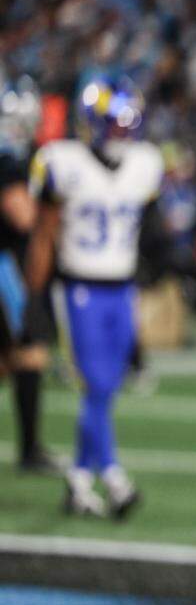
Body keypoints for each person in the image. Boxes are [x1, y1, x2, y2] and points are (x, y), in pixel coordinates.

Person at [25, 75, 164, 518]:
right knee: (98, 384)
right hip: (78, 286)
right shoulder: (61, 161)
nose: (121, 132)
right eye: (114, 123)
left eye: (127, 123)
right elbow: (44, 234)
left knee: (105, 389)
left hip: (121, 287)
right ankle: (115, 478)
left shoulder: (146, 162)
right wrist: (33, 298)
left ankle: (79, 481)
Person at [0, 73, 58, 473]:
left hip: (12, 264)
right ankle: (30, 449)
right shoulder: (9, 159)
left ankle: (31, 448)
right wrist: (53, 210)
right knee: (29, 351)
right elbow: (20, 214)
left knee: (23, 355)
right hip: (6, 266)